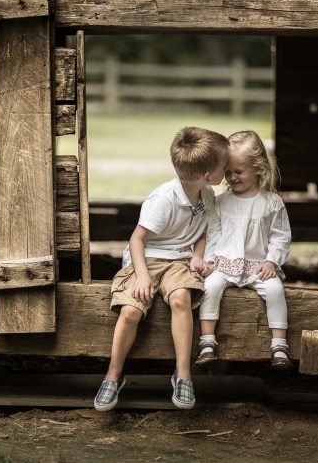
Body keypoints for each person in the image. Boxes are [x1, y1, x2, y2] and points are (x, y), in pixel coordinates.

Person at [94, 127, 230, 412]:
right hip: (147, 259)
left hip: (179, 262)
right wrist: (142, 275)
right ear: (208, 174)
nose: (227, 170)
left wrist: (198, 255)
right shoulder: (164, 199)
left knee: (181, 299)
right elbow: (136, 239)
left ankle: (183, 374)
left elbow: (203, 231)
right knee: (131, 310)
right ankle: (113, 375)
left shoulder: (207, 195)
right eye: (224, 166)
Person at [196, 130, 293, 370]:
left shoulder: (271, 202)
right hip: (224, 262)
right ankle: (207, 342)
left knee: (275, 290)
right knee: (210, 287)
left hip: (257, 266)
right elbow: (213, 233)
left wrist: (272, 262)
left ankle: (279, 345)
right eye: (227, 172)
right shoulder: (220, 202)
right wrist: (210, 261)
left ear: (259, 168)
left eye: (238, 172)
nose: (232, 177)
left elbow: (280, 237)